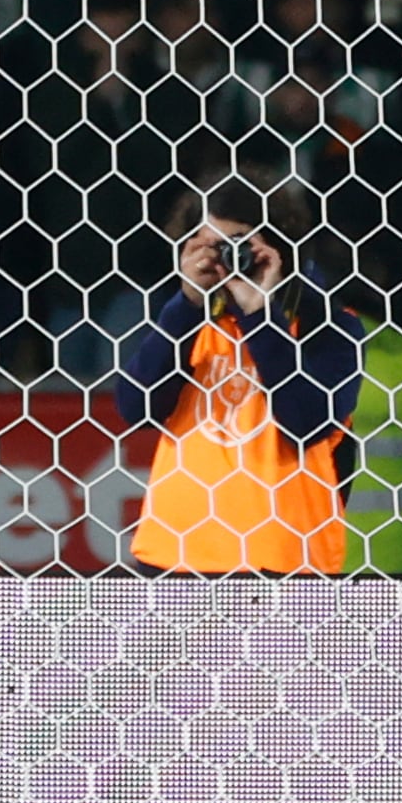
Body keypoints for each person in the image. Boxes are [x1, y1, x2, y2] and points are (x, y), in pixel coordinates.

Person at [114, 197, 358, 576]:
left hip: (286, 564)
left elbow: (308, 422)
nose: (225, 260)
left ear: (277, 248)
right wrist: (187, 302)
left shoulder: (326, 325)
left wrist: (259, 315)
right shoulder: (188, 320)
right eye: (210, 245)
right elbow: (137, 407)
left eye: (238, 245)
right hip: (173, 559)